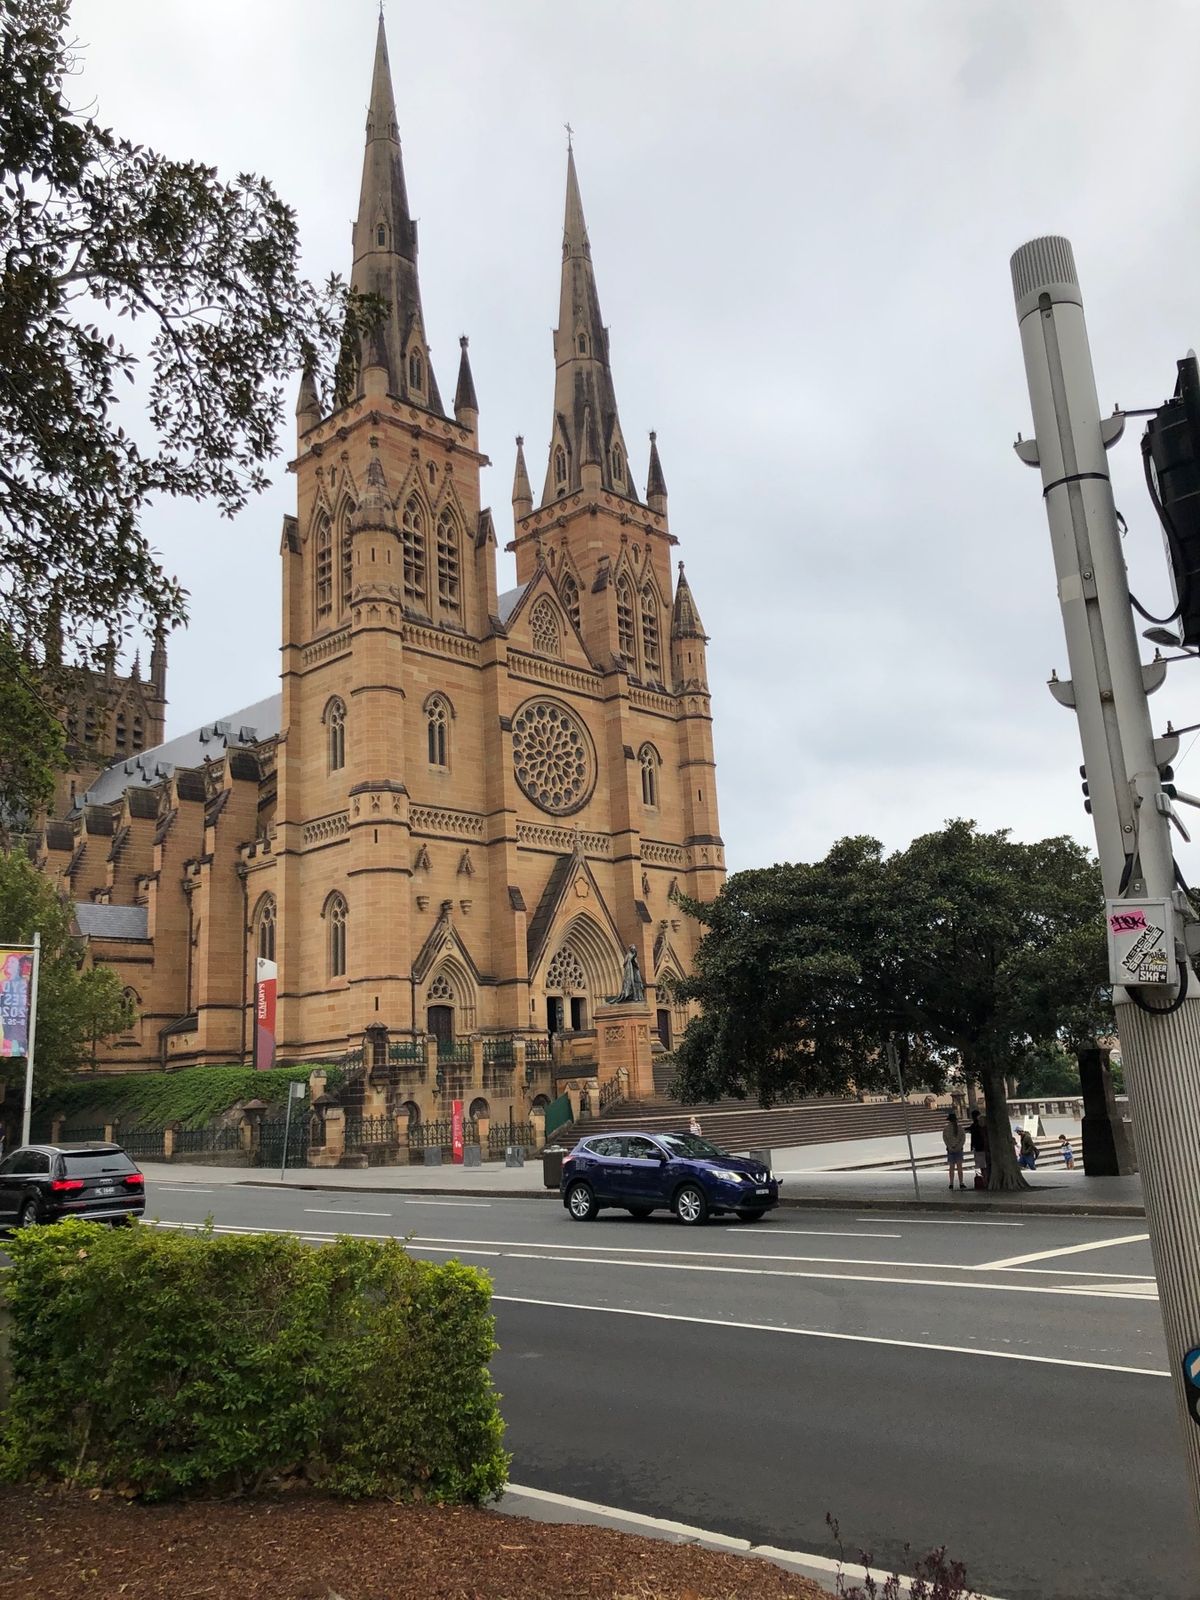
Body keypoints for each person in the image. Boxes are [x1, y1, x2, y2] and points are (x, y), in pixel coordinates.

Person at [942, 1111, 966, 1190]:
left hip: (950, 1150)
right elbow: (963, 1138)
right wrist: (959, 1146)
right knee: (960, 1167)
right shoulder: (960, 1128)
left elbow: (945, 1139)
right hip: (959, 1149)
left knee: (951, 1167)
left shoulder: (946, 1129)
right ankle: (961, 1182)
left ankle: (951, 1183)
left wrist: (950, 1147)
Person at [968, 1107, 990, 1185]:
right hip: (985, 1148)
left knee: (982, 1166)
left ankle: (985, 1181)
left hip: (979, 1148)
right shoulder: (985, 1127)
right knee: (986, 1165)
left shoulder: (975, 1126)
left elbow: (972, 1135)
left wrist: (972, 1146)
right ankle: (986, 1180)